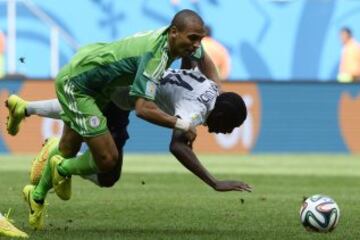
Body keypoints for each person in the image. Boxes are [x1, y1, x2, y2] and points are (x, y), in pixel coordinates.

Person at [5, 9, 220, 230]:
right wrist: (183, 124)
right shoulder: (155, 57)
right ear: (174, 32)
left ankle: (36, 196)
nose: (197, 45)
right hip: (79, 83)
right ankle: (60, 168)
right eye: (193, 39)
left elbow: (201, 56)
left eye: (200, 39)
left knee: (69, 147)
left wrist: (216, 85)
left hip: (98, 77)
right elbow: (143, 109)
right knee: (107, 160)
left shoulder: (177, 40)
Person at [9, 68, 250, 229]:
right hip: (119, 98)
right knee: (107, 169)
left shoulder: (213, 88)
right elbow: (177, 147)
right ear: (220, 113)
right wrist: (215, 182)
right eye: (229, 126)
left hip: (125, 93)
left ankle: (26, 109)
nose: (226, 132)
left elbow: (196, 59)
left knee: (89, 132)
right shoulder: (195, 110)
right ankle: (57, 169)